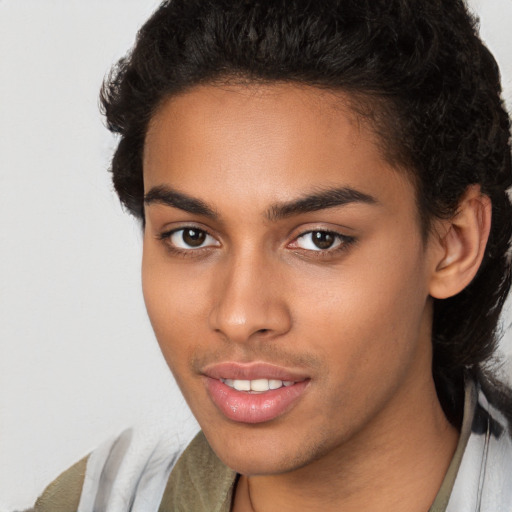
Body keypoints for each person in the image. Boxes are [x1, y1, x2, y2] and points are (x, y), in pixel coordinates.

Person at [31, 0, 512, 510]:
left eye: (319, 239)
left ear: (453, 244)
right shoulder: (95, 500)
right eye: (191, 236)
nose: (239, 317)